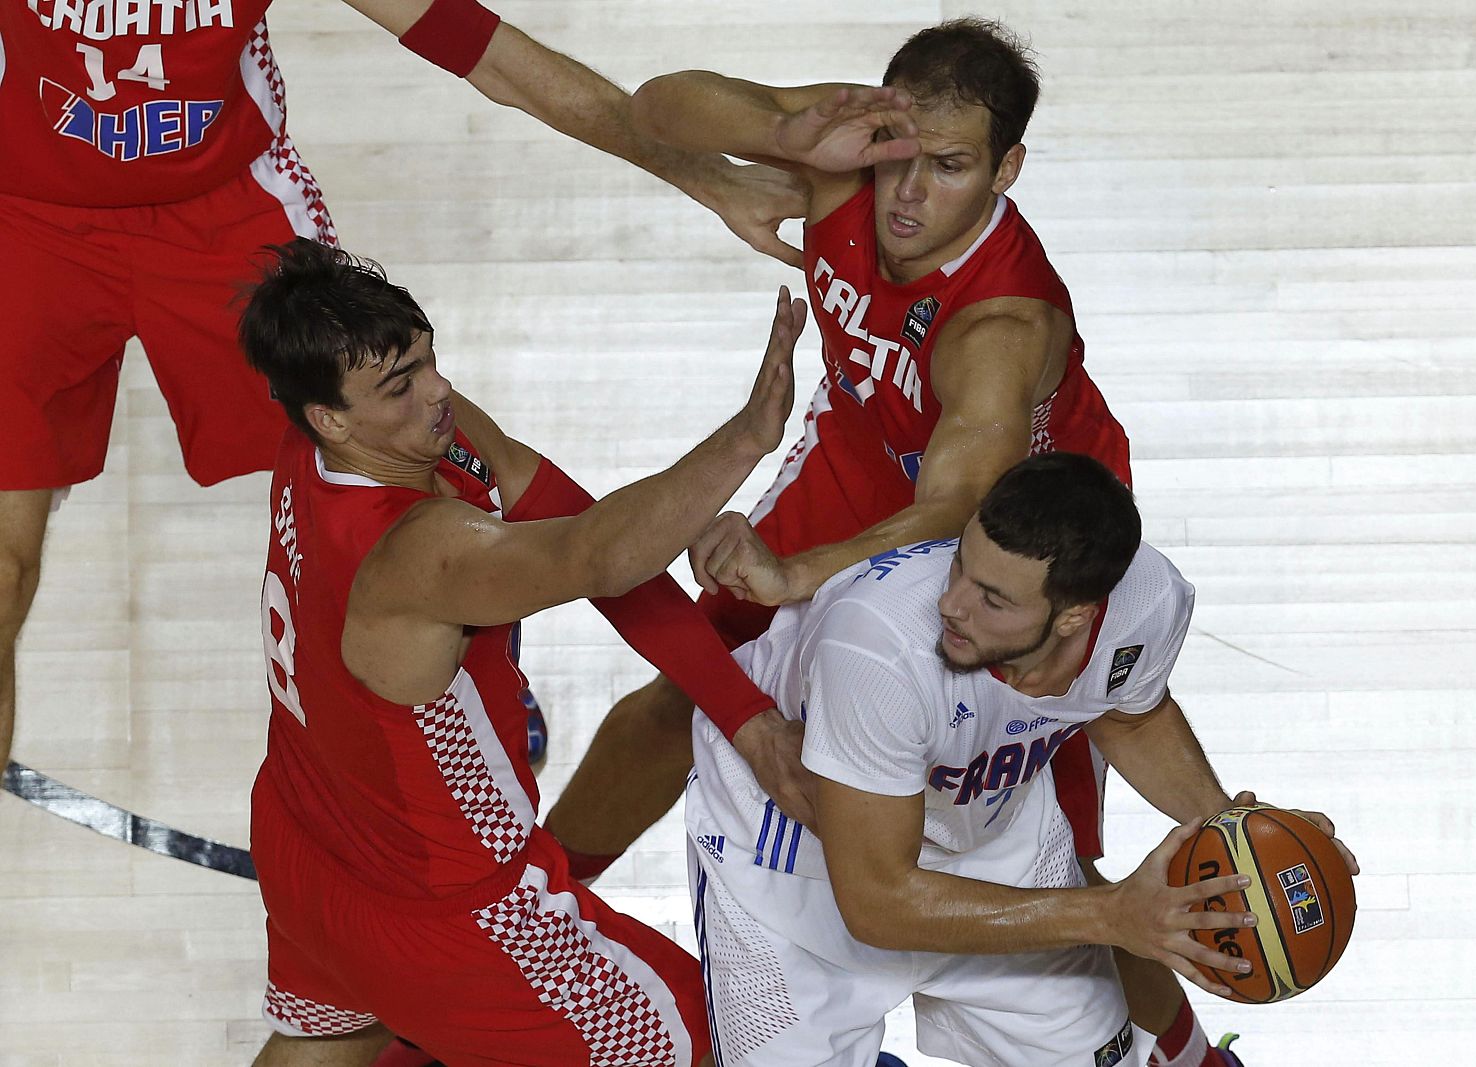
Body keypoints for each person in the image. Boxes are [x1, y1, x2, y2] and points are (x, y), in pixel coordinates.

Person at [541, 19, 1234, 1067]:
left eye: (949, 169)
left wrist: (797, 572)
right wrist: (787, 129)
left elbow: (956, 501)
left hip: (1014, 528)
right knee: (677, 706)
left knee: (1037, 850)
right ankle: (530, 909)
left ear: (1005, 171)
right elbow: (659, 102)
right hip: (864, 457)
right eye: (900, 158)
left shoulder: (998, 326)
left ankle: (1182, 1052)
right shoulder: (857, 144)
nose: (907, 194)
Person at [0, 0, 804, 773]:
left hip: (226, 215)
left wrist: (705, 175)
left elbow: (494, 56)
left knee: (433, 449)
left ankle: (485, 634)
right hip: (22, 214)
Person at [238, 238, 803, 1067]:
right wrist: (748, 438)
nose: (438, 394)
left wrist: (745, 717)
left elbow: (598, 547)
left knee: (326, 1044)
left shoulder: (320, 442)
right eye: (402, 386)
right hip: (448, 912)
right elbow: (598, 557)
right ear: (333, 416)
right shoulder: (417, 552)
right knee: (713, 1040)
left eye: (428, 359)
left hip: (308, 842)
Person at [684, 454, 1359, 1066]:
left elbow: (1132, 714)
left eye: (993, 598)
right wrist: (1110, 913)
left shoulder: (1146, 601)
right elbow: (877, 901)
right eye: (959, 566)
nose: (952, 603)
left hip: (984, 831)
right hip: (793, 864)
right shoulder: (877, 647)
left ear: (1075, 616)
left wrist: (1239, 829)